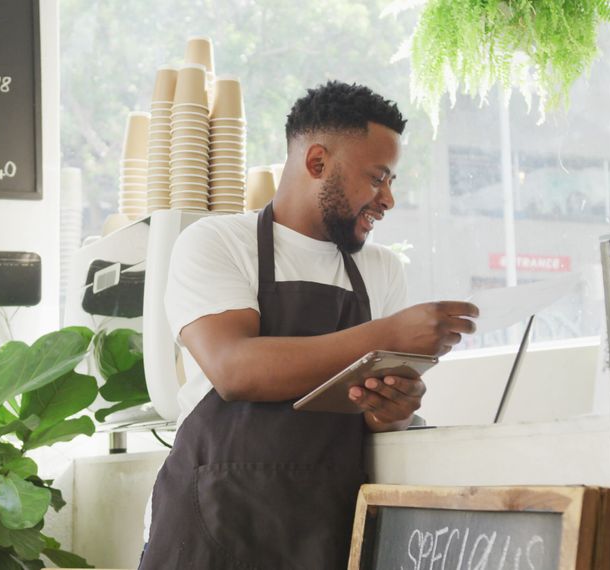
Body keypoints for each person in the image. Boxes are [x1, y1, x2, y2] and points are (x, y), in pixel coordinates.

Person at [138, 80, 479, 570]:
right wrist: (389, 335)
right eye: (377, 177)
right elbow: (235, 369)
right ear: (317, 163)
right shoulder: (216, 242)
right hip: (209, 532)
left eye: (393, 181)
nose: (388, 199)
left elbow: (376, 419)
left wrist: (393, 411)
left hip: (325, 531)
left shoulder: (381, 271)